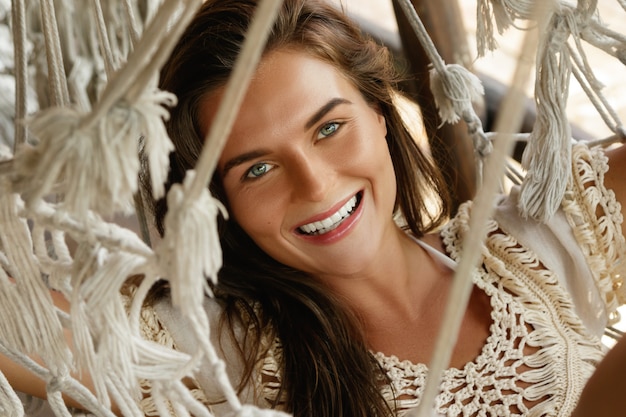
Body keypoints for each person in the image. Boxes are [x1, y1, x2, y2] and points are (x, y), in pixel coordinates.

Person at [2, 0, 626, 416]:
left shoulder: (528, 246)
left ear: (381, 114)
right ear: (214, 204)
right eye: (258, 168)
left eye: (328, 128)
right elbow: (24, 331)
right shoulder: (227, 348)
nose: (315, 183)